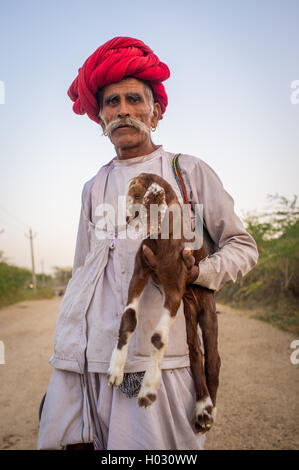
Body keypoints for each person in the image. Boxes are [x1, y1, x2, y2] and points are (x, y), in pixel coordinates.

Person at [37, 36, 258, 450]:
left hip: (166, 360)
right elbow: (83, 267)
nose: (123, 110)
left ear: (155, 112)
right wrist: (72, 354)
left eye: (134, 99)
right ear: (100, 116)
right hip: (92, 362)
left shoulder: (188, 172)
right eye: (111, 101)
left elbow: (243, 246)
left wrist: (198, 271)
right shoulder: (93, 186)